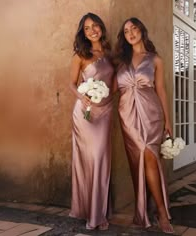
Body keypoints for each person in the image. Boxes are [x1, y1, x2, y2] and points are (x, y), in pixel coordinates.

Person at [114, 17, 174, 234]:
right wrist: (88, 95)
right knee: (139, 160)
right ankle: (146, 210)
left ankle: (161, 212)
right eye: (127, 30)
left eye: (134, 28)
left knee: (150, 155)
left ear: (142, 31)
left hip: (152, 114)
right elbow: (111, 90)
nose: (131, 33)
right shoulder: (120, 62)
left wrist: (168, 120)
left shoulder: (155, 59)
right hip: (127, 116)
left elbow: (161, 91)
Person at [69, 12, 114, 231]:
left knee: (101, 159)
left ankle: (98, 212)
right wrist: (82, 95)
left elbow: (115, 81)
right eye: (87, 28)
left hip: (105, 111)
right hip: (84, 113)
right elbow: (71, 83)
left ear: (101, 28)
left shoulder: (110, 53)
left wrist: (113, 99)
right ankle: (92, 214)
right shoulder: (80, 54)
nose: (92, 30)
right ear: (83, 33)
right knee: (89, 159)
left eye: (95, 26)